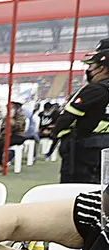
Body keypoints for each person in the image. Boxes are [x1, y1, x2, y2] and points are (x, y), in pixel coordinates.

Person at [52, 38, 109, 183]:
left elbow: (66, 118)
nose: (89, 70)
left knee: (73, 193)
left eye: (92, 66)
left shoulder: (94, 89)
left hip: (85, 150)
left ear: (101, 68)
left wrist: (58, 133)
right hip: (103, 149)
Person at [0, 100, 26, 165]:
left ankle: (1, 162)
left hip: (18, 136)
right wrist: (0, 134)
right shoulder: (5, 116)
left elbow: (18, 127)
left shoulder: (20, 115)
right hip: (6, 136)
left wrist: (11, 120)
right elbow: (3, 128)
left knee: (0, 144)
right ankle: (0, 160)